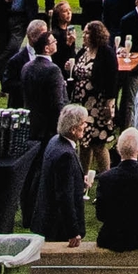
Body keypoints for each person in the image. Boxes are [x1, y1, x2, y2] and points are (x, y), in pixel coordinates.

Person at [30, 101, 89, 244]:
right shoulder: (66, 155)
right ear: (73, 129)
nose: (86, 126)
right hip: (58, 228)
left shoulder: (55, 141)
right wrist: (73, 231)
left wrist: (80, 180)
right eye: (83, 123)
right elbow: (64, 196)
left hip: (47, 221)